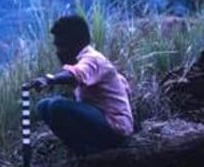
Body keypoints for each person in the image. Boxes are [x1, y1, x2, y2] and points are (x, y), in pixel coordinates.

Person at [24, 15, 134, 156]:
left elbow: (76, 74)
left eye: (61, 46)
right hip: (103, 121)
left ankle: (93, 151)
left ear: (75, 43)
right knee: (43, 105)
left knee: (56, 106)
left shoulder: (92, 59)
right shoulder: (88, 60)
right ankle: (84, 150)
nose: (58, 52)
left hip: (115, 128)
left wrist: (50, 79)